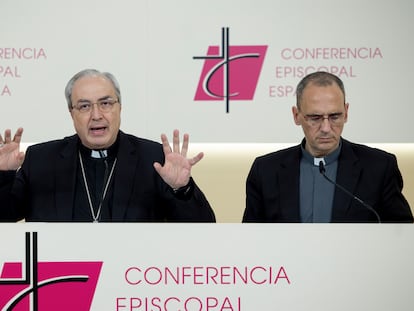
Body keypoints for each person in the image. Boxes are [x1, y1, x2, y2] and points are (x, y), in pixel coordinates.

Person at [0, 69, 215, 222]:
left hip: (132, 279)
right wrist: (3, 176)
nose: (96, 115)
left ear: (119, 108)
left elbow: (203, 229)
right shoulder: (40, 160)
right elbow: (5, 218)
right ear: (71, 113)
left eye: (105, 103)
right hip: (60, 279)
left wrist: (181, 189)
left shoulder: (154, 159)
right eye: (84, 106)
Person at [243, 71, 413, 223]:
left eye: (334, 116)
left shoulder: (379, 167)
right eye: (315, 118)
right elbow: (252, 239)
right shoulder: (265, 171)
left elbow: (402, 235)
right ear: (296, 116)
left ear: (346, 112)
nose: (325, 128)